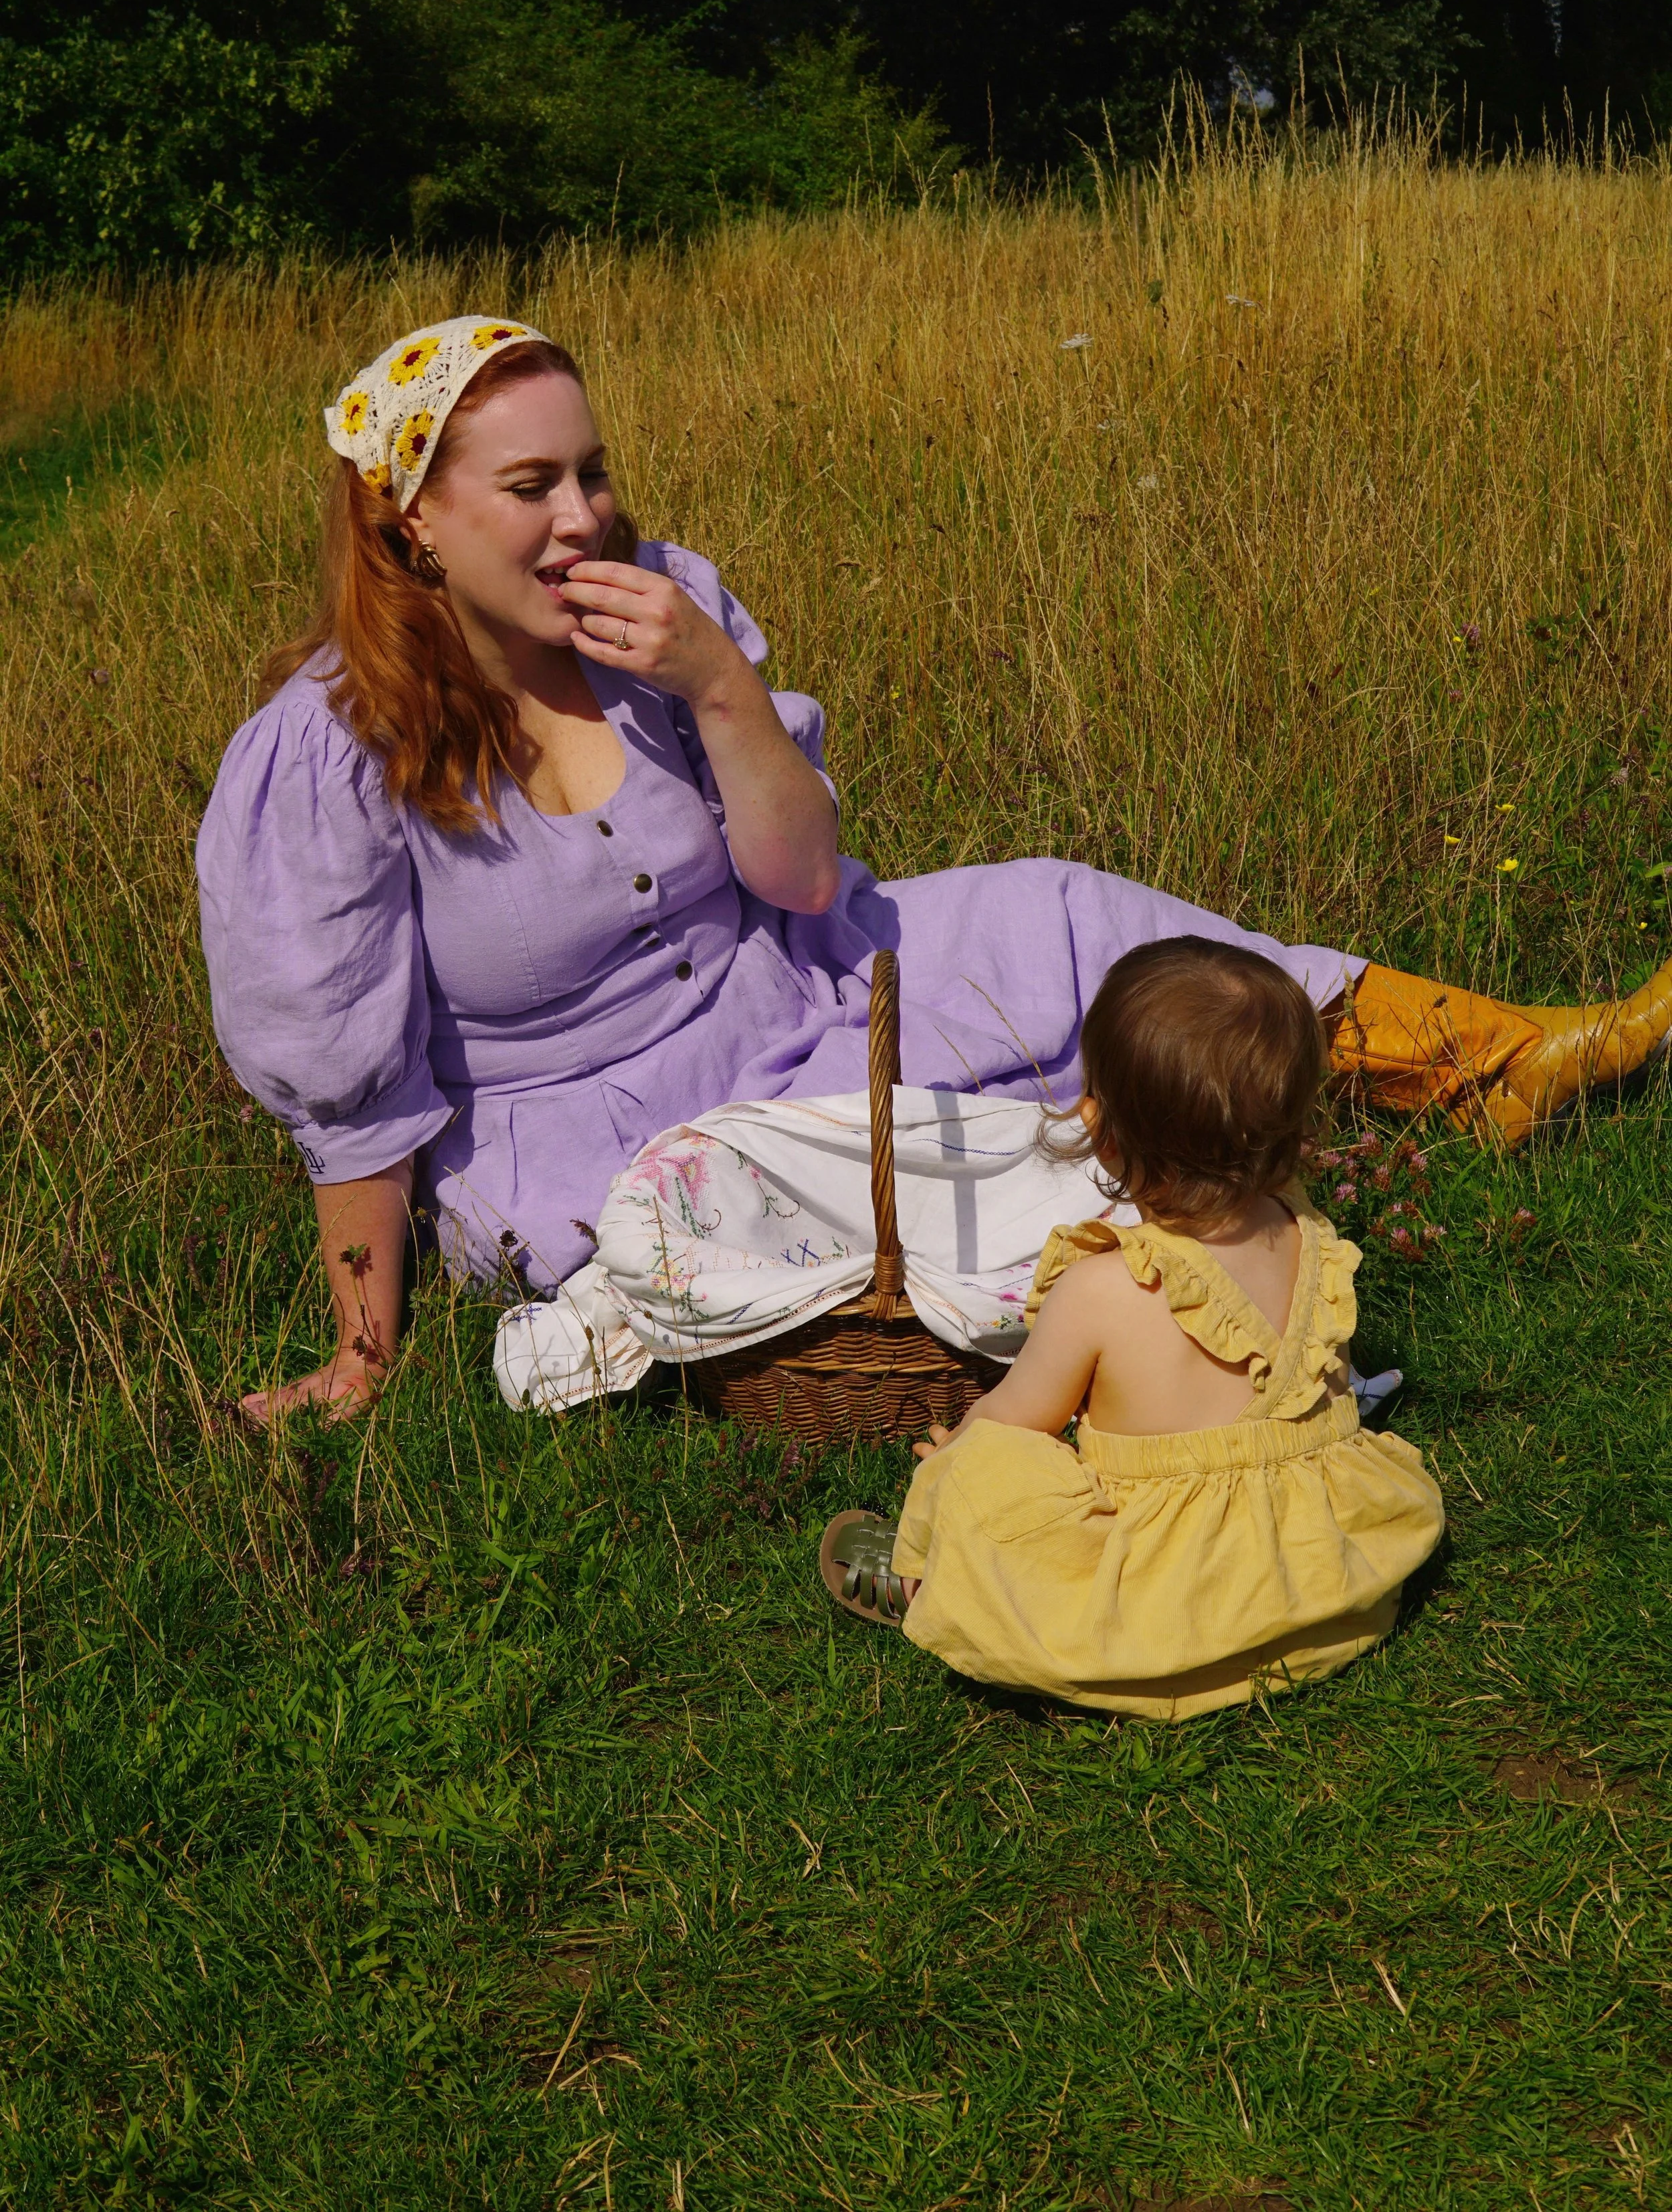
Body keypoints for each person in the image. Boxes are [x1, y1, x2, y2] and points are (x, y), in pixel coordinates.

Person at [197, 316, 1672, 1426]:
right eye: (529, 485)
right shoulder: (324, 758)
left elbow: (798, 876)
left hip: (793, 984)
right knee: (870, 1186)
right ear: (414, 521)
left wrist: (715, 685)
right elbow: (355, 1097)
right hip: (591, 1136)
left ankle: (1483, 1066)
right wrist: (364, 1353)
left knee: (1056, 906)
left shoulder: (664, 617)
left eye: (590, 471)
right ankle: (1150, 1267)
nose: (581, 516)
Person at [817, 939, 1447, 1718]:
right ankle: (1281, 1635)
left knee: (981, 1462)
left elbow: (1017, 1418)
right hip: (1320, 1588)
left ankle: (923, 1581)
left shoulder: (1105, 1286)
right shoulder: (1307, 1238)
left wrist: (958, 1464)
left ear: (1099, 1130)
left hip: (1158, 1600)